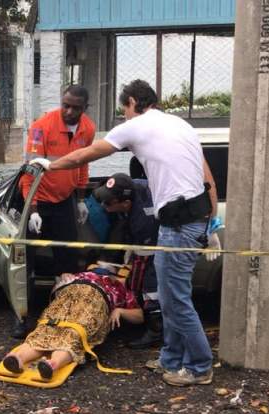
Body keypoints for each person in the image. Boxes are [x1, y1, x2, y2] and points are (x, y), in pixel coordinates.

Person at [42, 79, 220, 386]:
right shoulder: (181, 125)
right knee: (169, 295)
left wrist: (48, 165)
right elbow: (207, 177)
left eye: (124, 108)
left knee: (176, 299)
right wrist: (212, 222)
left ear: (134, 102)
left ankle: (200, 366)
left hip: (179, 225)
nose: (124, 115)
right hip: (189, 219)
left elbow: (86, 154)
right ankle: (171, 359)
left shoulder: (137, 125)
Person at [2, 267, 143, 380]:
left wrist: (120, 311)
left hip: (71, 296)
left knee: (47, 329)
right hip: (88, 298)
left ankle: (18, 357)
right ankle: (52, 363)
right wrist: (120, 310)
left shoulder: (111, 283)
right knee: (73, 335)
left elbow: (140, 317)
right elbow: (140, 316)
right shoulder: (118, 287)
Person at [21, 85, 95, 278]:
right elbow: (30, 172)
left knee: (67, 252)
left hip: (64, 200)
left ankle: (63, 293)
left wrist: (80, 200)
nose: (69, 112)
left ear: (85, 108)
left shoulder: (88, 129)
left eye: (75, 108)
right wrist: (33, 210)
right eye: (65, 105)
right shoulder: (41, 127)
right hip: (40, 200)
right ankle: (27, 291)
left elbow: (83, 164)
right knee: (27, 253)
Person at [94, 172, 162, 348]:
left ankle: (156, 331)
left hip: (159, 244)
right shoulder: (132, 187)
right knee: (134, 281)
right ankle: (141, 317)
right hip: (145, 239)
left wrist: (132, 253)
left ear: (125, 203)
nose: (104, 205)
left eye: (108, 203)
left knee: (150, 286)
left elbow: (146, 253)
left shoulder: (143, 218)